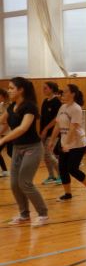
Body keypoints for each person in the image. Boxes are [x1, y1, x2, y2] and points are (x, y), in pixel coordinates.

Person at [0, 77, 49, 226]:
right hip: (17, 148)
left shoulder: (30, 107)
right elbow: (2, 121)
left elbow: (23, 128)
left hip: (32, 148)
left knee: (25, 182)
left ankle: (43, 214)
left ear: (21, 90)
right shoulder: (11, 106)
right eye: (8, 88)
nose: (9, 91)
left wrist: (3, 139)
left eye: (11, 88)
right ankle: (24, 215)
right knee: (14, 184)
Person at [49, 84, 86, 202]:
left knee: (72, 168)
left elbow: (73, 128)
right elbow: (57, 125)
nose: (63, 93)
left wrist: (67, 144)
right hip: (65, 143)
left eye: (65, 91)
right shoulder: (62, 107)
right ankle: (68, 194)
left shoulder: (76, 108)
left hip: (78, 144)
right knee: (62, 169)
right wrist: (52, 141)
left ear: (73, 94)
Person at [40, 81, 62, 184]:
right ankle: (51, 176)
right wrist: (41, 131)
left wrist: (46, 129)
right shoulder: (45, 101)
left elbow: (56, 119)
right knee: (45, 155)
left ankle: (61, 175)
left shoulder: (57, 102)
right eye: (43, 88)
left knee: (48, 154)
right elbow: (43, 118)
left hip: (53, 133)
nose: (43, 90)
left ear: (52, 89)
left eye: (45, 88)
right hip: (44, 132)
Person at [0, 88, 9, 177]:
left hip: (9, 133)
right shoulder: (1, 105)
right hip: (3, 133)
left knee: (11, 152)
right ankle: (5, 171)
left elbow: (7, 123)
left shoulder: (9, 106)